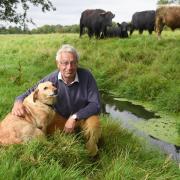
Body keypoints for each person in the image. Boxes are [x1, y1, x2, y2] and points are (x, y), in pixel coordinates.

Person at [12, 44, 101, 156]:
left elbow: (95, 104)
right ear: (58, 64)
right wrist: (18, 101)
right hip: (60, 118)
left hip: (83, 116)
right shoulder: (51, 79)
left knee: (94, 126)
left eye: (73, 62)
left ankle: (91, 153)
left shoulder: (87, 76)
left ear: (77, 63)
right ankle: (65, 147)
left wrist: (74, 117)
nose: (69, 67)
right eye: (65, 63)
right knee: (46, 134)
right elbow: (30, 91)